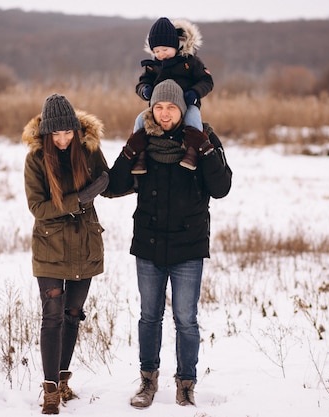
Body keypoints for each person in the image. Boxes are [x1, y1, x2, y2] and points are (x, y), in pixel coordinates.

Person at [106, 79, 232, 408]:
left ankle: (186, 384)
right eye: (158, 107)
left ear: (182, 110)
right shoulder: (144, 142)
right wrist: (130, 149)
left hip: (188, 246)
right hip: (148, 244)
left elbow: (221, 188)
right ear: (151, 110)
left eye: (171, 107)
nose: (164, 114)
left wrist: (204, 148)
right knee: (149, 317)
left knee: (186, 318)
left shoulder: (202, 138)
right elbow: (114, 184)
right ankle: (148, 381)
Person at [21, 93, 109, 415]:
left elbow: (108, 184)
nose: (61, 140)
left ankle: (62, 379)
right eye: (55, 134)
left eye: (67, 132)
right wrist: (81, 198)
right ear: (45, 133)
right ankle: (49, 390)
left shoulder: (88, 151)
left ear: (75, 130)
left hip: (84, 246)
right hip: (50, 248)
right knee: (53, 315)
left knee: (72, 315)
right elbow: (37, 208)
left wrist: (136, 164)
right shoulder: (35, 159)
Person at [129, 17, 214, 174]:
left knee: (193, 119)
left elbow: (206, 80)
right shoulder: (153, 66)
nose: (161, 55)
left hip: (188, 104)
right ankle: (139, 155)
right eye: (156, 51)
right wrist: (145, 90)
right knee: (140, 120)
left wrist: (195, 93)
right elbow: (141, 83)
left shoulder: (190, 62)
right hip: (159, 108)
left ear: (176, 45)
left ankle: (192, 152)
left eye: (165, 50)